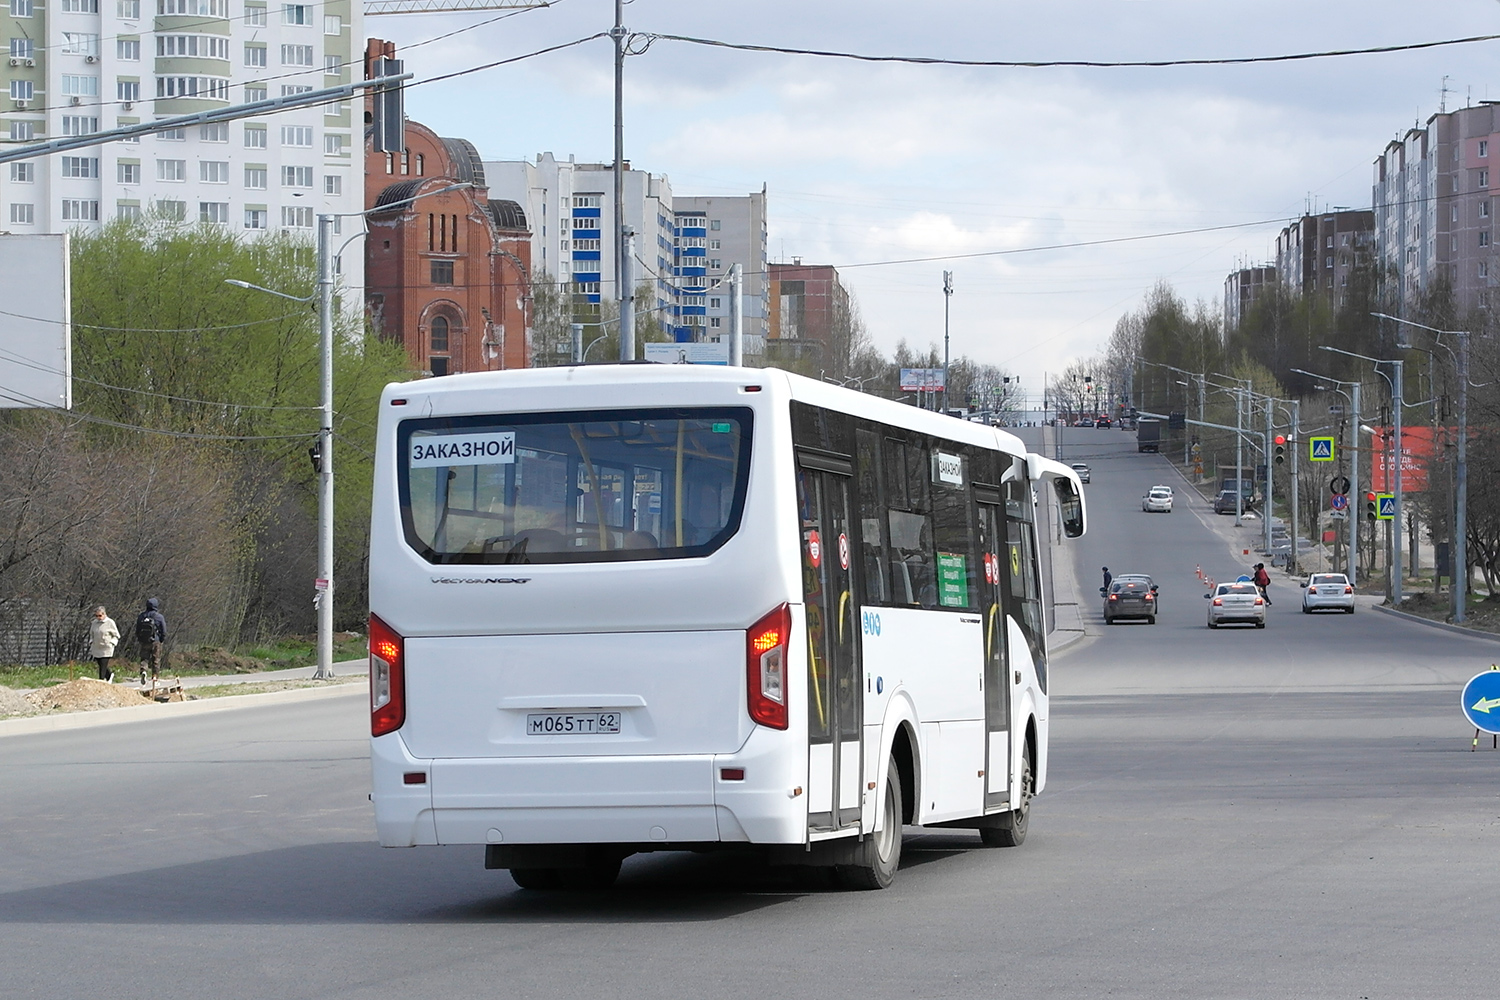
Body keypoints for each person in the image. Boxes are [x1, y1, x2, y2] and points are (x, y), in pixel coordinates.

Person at [134, 597, 167, 685]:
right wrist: (161, 639)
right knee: (156, 659)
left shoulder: (141, 616)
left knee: (144, 658)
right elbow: (163, 630)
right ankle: (155, 678)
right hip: (156, 641)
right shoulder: (159, 617)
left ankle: (143, 671)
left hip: (145, 641)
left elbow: (137, 629)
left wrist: (140, 639)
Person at [88, 606, 120, 682]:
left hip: (106, 648)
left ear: (104, 614)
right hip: (96, 647)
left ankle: (101, 680)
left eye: (100, 615)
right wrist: (91, 641)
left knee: (103, 665)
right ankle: (109, 675)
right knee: (100, 663)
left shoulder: (110, 622)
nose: (98, 617)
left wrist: (112, 643)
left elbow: (116, 635)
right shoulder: (94, 623)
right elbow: (91, 633)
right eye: (96, 616)